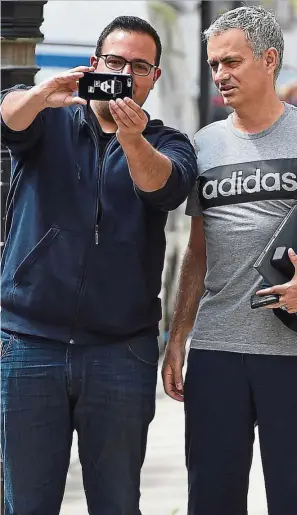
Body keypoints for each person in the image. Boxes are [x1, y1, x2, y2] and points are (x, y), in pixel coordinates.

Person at [161, 6, 297, 515]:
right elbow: (199, 250)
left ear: (270, 59)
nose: (220, 75)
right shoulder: (205, 144)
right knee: (210, 501)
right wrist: (179, 335)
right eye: (213, 64)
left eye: (231, 62)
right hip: (216, 351)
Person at [0, 15, 197, 515]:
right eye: (114, 63)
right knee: (25, 501)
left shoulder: (169, 142)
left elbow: (164, 188)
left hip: (119, 351)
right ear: (94, 64)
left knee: (116, 503)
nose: (124, 74)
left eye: (138, 67)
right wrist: (44, 92)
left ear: (154, 77)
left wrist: (132, 140)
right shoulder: (49, 117)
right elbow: (8, 119)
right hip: (28, 343)